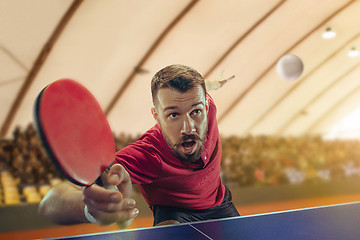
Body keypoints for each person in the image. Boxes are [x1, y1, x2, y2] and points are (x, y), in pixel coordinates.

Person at [39, 64, 239, 228]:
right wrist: (91, 209)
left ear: (205, 106)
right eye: (173, 115)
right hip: (177, 213)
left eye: (195, 112)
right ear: (157, 117)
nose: (188, 128)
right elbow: (50, 202)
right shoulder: (147, 154)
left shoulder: (207, 106)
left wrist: (210, 84)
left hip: (220, 203)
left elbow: (199, 96)